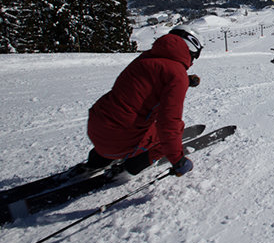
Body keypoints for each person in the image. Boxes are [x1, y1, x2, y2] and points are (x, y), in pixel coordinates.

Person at [85, 25, 204, 177]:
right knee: (172, 132)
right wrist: (178, 160)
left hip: (97, 128)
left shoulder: (147, 58)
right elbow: (169, 123)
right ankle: (133, 166)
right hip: (119, 140)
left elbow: (150, 83)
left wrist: (185, 81)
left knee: (121, 119)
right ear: (192, 48)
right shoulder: (176, 74)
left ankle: (97, 161)